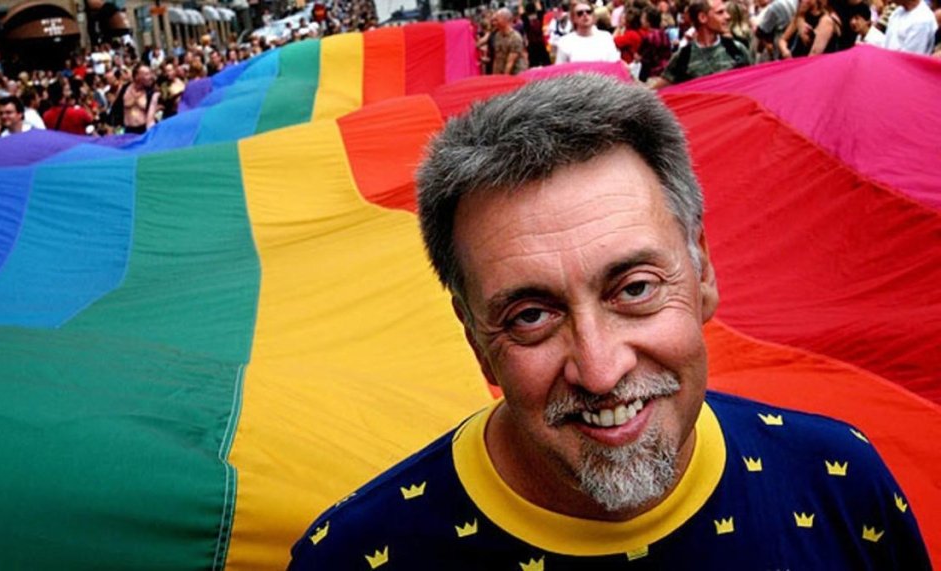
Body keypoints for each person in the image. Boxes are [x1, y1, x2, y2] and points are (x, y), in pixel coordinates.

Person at [287, 74, 930, 570]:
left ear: (702, 271)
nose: (599, 371)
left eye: (635, 289)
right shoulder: (348, 561)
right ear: (475, 339)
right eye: (531, 316)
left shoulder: (843, 483)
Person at [653, 0, 752, 86]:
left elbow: (754, 80)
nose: (728, 16)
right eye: (720, 12)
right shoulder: (683, 57)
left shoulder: (736, 50)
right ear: (702, 17)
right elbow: (659, 91)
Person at [554, 1, 621, 62]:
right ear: (573, 18)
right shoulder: (565, 42)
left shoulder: (606, 37)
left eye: (589, 12)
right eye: (580, 13)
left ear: (593, 16)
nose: (585, 14)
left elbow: (615, 63)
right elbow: (560, 69)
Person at [778, 0, 842, 58]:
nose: (802, 2)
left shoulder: (826, 21)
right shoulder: (800, 17)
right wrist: (784, 50)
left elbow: (814, 54)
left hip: (809, 64)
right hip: (792, 61)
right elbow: (783, 39)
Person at [111, 63, 160, 134]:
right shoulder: (124, 89)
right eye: (147, 74)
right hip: (127, 130)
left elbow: (150, 119)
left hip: (144, 131)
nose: (151, 77)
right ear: (137, 76)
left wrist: (150, 134)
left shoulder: (152, 93)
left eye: (150, 73)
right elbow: (115, 109)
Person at [492, 8, 528, 75]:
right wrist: (494, 77)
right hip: (503, 72)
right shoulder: (497, 36)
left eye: (497, 20)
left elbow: (510, 62)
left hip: (516, 73)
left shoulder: (515, 37)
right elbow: (496, 58)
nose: (494, 23)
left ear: (505, 19)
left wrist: (505, 78)